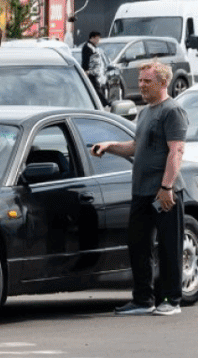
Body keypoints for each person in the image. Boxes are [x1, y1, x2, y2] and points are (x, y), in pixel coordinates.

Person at [90, 62, 189, 316]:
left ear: (163, 83)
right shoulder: (145, 112)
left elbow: (176, 151)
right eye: (141, 81)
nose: (141, 85)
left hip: (164, 193)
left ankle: (171, 300)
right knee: (138, 245)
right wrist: (110, 145)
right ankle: (143, 299)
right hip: (141, 192)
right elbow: (136, 146)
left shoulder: (172, 111)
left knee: (168, 248)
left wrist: (166, 186)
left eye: (147, 81)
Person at [81, 31, 107, 99]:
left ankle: (104, 102)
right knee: (96, 89)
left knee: (96, 89)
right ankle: (105, 103)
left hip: (95, 73)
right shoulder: (87, 47)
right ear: (92, 38)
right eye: (97, 39)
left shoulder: (93, 47)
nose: (98, 41)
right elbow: (85, 60)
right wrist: (86, 71)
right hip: (90, 73)